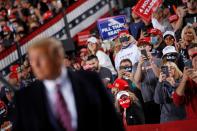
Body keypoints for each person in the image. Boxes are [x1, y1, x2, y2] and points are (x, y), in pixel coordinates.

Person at [13, 38, 124, 131]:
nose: (35, 65)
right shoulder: (24, 98)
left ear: (58, 56)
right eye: (32, 60)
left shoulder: (90, 80)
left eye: (40, 58)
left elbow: (111, 120)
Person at [134, 38, 161, 124]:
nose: (142, 48)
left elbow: (159, 75)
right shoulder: (136, 64)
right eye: (140, 46)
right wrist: (140, 65)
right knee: (152, 123)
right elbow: (137, 80)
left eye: (144, 46)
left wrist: (151, 62)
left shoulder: (158, 60)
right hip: (147, 98)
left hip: (160, 95)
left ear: (149, 47)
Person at [173, 51, 197, 119]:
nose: (196, 62)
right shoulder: (188, 80)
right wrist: (184, 79)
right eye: (195, 60)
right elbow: (177, 101)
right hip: (192, 121)